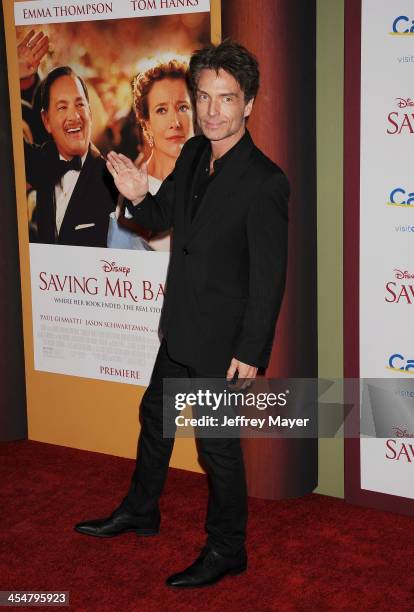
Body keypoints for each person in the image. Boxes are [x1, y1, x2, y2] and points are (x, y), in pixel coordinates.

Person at [75, 41, 289, 588]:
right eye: (205, 97)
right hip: (179, 330)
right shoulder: (193, 153)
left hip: (223, 344)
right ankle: (142, 510)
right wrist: (134, 195)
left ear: (249, 104)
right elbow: (163, 215)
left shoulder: (265, 182)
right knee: (155, 420)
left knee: (217, 451)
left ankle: (227, 549)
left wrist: (251, 350)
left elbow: (270, 276)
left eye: (227, 98)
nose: (213, 110)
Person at [23, 66, 118, 247]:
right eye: (62, 107)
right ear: (46, 121)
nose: (74, 116)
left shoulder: (112, 181)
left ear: (90, 113)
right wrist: (15, 72)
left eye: (80, 104)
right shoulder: (45, 159)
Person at [108, 60, 194, 251]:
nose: (175, 122)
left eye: (183, 107)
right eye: (161, 110)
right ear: (146, 124)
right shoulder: (133, 194)